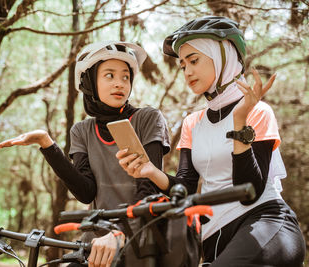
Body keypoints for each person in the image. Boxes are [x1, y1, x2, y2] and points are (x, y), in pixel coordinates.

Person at [116, 16, 306, 266]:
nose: (187, 71)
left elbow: (250, 191)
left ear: (222, 56)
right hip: (214, 237)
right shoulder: (193, 123)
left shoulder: (257, 112)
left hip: (265, 222)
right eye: (183, 65)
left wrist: (240, 122)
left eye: (194, 60)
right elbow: (184, 187)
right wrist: (150, 172)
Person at [0, 41, 171, 266]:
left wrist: (120, 231)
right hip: (96, 241)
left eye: (125, 77)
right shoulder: (82, 130)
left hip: (141, 238)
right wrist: (47, 144)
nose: (120, 83)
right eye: (109, 75)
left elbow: (150, 189)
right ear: (89, 83)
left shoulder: (147, 118)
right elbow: (86, 192)